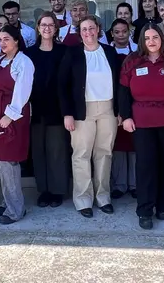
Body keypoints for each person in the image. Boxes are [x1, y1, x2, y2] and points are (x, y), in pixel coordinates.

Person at [119, 23, 164, 230]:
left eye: (155, 37)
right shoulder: (132, 61)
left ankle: (162, 205)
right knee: (145, 166)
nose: (151, 41)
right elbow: (123, 91)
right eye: (148, 38)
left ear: (162, 39)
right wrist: (126, 117)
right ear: (142, 40)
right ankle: (144, 210)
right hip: (141, 122)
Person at [58, 16, 119, 218]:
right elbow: (63, 86)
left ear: (98, 29)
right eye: (83, 29)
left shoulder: (109, 52)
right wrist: (67, 113)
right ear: (79, 32)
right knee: (81, 154)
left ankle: (103, 197)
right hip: (81, 111)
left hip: (108, 109)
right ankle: (83, 199)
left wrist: (120, 112)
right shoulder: (72, 53)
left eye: (91, 28)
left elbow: (120, 84)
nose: (88, 33)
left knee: (104, 153)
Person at [0, 25, 35, 225]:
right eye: (0, 39)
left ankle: (16, 209)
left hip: (14, 116)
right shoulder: (0, 60)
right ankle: (9, 201)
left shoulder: (23, 62)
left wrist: (10, 115)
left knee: (10, 162)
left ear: (17, 40)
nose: (3, 43)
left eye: (7, 39)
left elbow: (22, 91)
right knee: (2, 162)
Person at [25, 12, 70, 208]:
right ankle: (43, 190)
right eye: (44, 24)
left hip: (58, 110)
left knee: (57, 151)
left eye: (51, 25)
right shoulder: (29, 53)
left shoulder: (64, 52)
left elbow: (69, 82)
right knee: (39, 152)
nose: (47, 28)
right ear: (38, 27)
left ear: (56, 28)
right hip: (36, 109)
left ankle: (58, 190)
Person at [108, 19, 137, 200]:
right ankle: (119, 184)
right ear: (112, 33)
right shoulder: (107, 52)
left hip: (134, 104)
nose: (120, 35)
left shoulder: (137, 52)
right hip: (113, 104)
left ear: (129, 32)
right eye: (116, 32)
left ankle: (134, 184)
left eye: (123, 32)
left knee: (134, 146)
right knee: (117, 146)